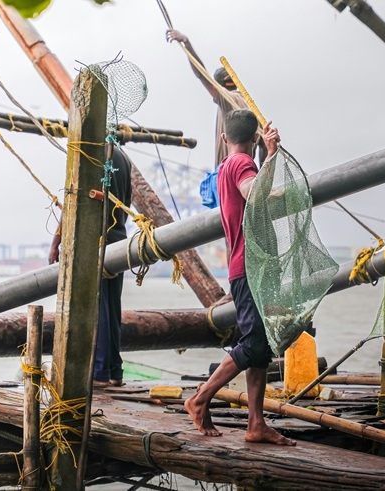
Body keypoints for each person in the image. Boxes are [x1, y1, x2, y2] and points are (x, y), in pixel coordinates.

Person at [184, 109, 295, 446]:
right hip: (251, 267)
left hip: (246, 266)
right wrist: (273, 155)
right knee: (254, 343)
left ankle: (256, 424)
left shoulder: (226, 167)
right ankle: (201, 397)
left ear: (224, 138)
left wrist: (267, 155)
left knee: (260, 349)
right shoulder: (241, 165)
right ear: (255, 138)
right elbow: (255, 193)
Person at [49, 147, 132, 388]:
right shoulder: (124, 158)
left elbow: (73, 200)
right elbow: (127, 199)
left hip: (96, 241)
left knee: (100, 308)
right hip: (118, 239)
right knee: (111, 307)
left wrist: (56, 242)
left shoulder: (88, 153)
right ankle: (114, 370)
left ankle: (101, 372)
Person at [166, 29, 265, 167]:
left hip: (229, 170)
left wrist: (186, 44)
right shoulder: (252, 109)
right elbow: (264, 146)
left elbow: (202, 75)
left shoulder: (228, 99)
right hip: (247, 171)